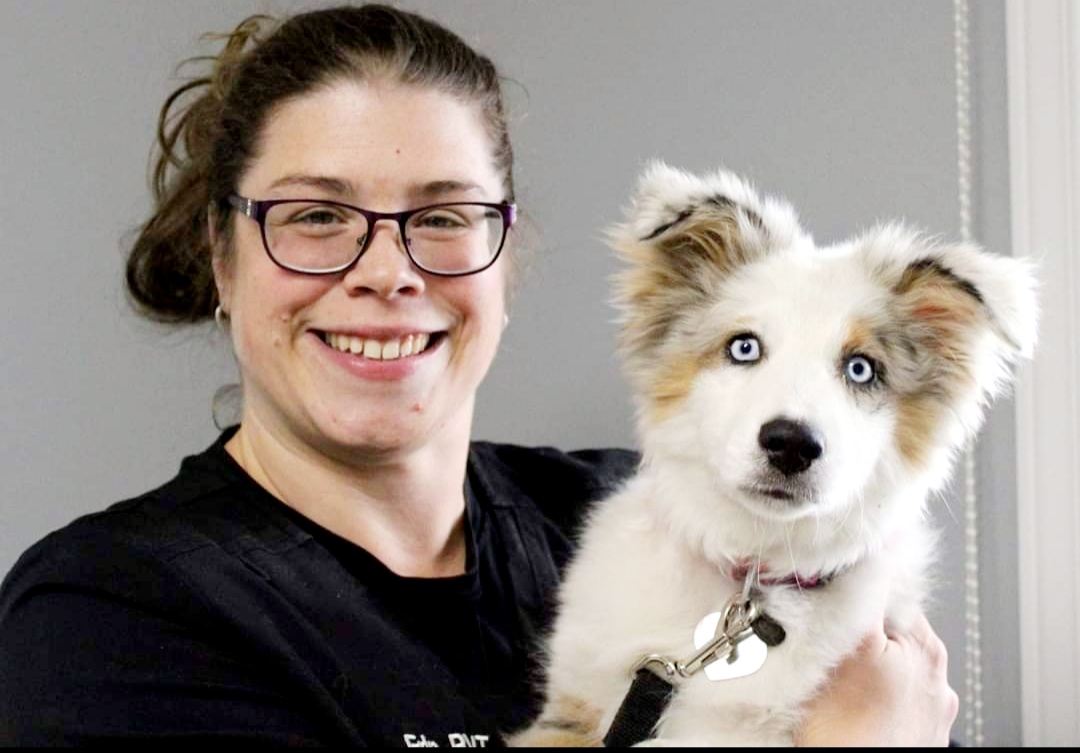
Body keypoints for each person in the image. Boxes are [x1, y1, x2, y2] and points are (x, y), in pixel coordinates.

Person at [0, 4, 958, 747]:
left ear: (504, 260)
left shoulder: (640, 511)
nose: (387, 270)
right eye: (316, 216)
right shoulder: (108, 613)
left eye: (444, 216)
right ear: (223, 258)